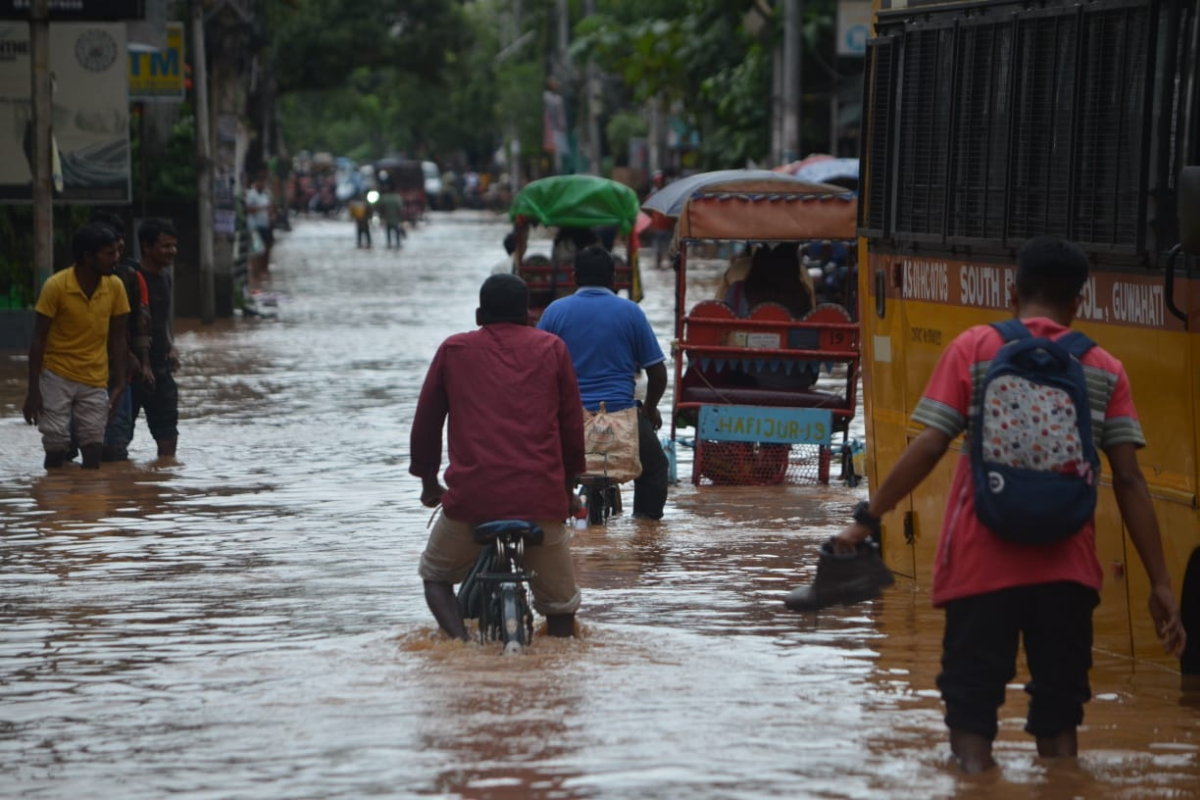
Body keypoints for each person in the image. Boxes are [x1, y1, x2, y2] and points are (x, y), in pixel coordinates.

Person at [826, 236, 1187, 773]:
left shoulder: (974, 348)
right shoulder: (1104, 367)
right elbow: (1130, 482)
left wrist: (864, 521)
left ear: (1012, 292)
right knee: (1061, 730)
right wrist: (1161, 583)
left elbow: (927, 446)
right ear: (1079, 302)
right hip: (1067, 575)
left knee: (971, 727)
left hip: (980, 568)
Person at [411, 274, 586, 640]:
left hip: (472, 500)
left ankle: (462, 644)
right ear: (527, 315)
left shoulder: (453, 350)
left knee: (436, 577)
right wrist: (566, 492)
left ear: (479, 315)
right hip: (542, 498)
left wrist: (429, 481)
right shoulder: (552, 348)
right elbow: (571, 430)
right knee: (561, 612)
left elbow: (426, 424)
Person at [537, 245, 670, 519]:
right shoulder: (631, 312)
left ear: (574, 277)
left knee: (544, 469)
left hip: (568, 420)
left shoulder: (554, 312)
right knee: (655, 468)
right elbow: (657, 373)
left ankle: (554, 522)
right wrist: (650, 409)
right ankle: (646, 535)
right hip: (622, 414)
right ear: (614, 279)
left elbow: (536, 369)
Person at [23, 223, 129, 470]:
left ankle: (89, 504)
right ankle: (53, 500)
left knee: (93, 446)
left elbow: (119, 339)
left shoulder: (115, 287)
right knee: (56, 445)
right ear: (88, 257)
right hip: (56, 375)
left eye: (116, 252)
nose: (116, 259)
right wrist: (33, 391)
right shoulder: (56, 286)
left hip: (95, 378)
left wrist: (121, 383)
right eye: (109, 254)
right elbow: (38, 340)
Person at [89, 211, 152, 462]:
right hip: (79, 376)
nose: (117, 247)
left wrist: (141, 360)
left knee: (115, 447)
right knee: (75, 445)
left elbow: (140, 323)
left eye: (118, 241)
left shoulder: (128, 279)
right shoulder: (66, 283)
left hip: (117, 375)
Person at [132, 218, 182, 458]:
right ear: (147, 247)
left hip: (160, 367)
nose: (172, 251)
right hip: (131, 369)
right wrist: (140, 363)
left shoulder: (165, 278)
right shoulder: (130, 279)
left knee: (168, 436)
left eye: (174, 245)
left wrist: (171, 347)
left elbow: (161, 321)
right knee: (114, 442)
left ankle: (162, 484)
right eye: (165, 246)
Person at [245, 173, 274, 278]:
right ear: (256, 183)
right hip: (255, 226)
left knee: (267, 248)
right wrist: (263, 208)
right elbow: (249, 209)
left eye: (263, 182)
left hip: (265, 225)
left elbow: (271, 208)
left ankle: (264, 270)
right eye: (260, 182)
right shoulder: (251, 194)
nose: (262, 184)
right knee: (257, 251)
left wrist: (271, 217)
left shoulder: (266, 194)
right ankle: (255, 274)